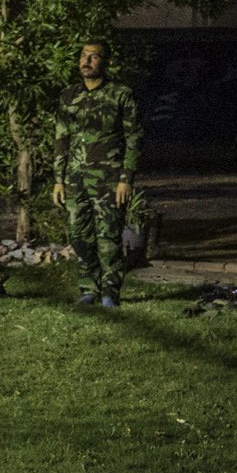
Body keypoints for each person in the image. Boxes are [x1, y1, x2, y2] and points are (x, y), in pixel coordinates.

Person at [52, 40, 142, 309]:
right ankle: (88, 287)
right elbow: (60, 138)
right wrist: (58, 179)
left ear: (105, 62)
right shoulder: (68, 96)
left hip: (109, 179)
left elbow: (133, 138)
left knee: (108, 236)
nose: (87, 61)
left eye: (94, 56)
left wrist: (126, 179)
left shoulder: (120, 95)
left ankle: (110, 292)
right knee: (79, 235)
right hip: (74, 178)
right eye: (83, 56)